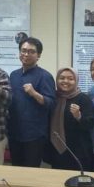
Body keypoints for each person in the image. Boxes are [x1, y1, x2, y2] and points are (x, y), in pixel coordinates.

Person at [7, 37, 56, 167]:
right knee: (16, 169)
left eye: (31, 51)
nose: (26, 54)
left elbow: (51, 104)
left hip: (34, 135)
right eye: (23, 50)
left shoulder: (45, 76)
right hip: (14, 132)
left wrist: (34, 93)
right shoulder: (13, 75)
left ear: (38, 55)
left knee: (31, 172)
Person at [45, 68, 94, 171]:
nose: (66, 81)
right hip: (55, 149)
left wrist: (78, 116)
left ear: (76, 81)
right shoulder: (53, 97)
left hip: (78, 151)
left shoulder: (83, 98)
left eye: (70, 79)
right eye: (62, 78)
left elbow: (90, 124)